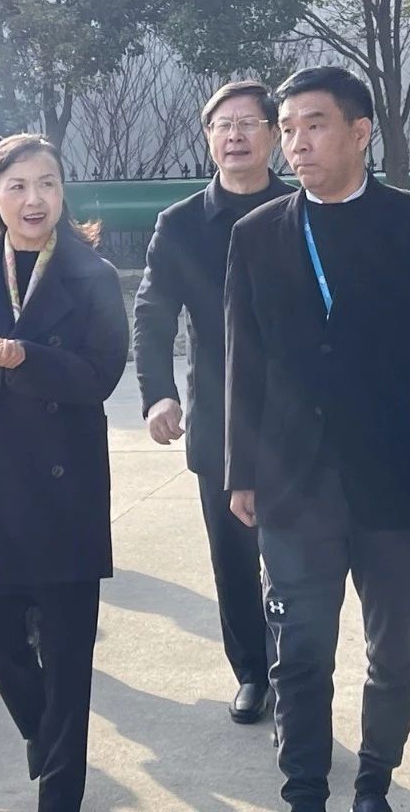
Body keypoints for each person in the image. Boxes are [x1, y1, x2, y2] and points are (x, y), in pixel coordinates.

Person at [225, 67, 410, 812]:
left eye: (313, 125)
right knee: (300, 652)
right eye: (287, 129)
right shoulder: (256, 235)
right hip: (292, 483)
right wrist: (241, 469)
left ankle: (375, 778)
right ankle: (304, 789)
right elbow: (243, 361)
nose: (296, 143)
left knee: (394, 650)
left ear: (359, 132)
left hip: (396, 477)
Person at [0, 133, 129, 812]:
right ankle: (47, 733)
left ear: (62, 193)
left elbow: (100, 375)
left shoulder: (92, 275)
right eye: (17, 186)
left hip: (67, 485)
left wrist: (25, 358)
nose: (33, 199)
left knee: (68, 660)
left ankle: (60, 791)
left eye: (47, 184)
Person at [133, 80, 293, 725]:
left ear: (273, 135)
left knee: (299, 559)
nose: (235, 136)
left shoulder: (303, 208)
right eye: (223, 125)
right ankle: (252, 672)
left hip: (301, 417)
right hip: (222, 418)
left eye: (249, 123)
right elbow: (153, 313)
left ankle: (297, 671)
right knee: (233, 556)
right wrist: (158, 394)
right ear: (208, 138)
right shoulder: (180, 224)